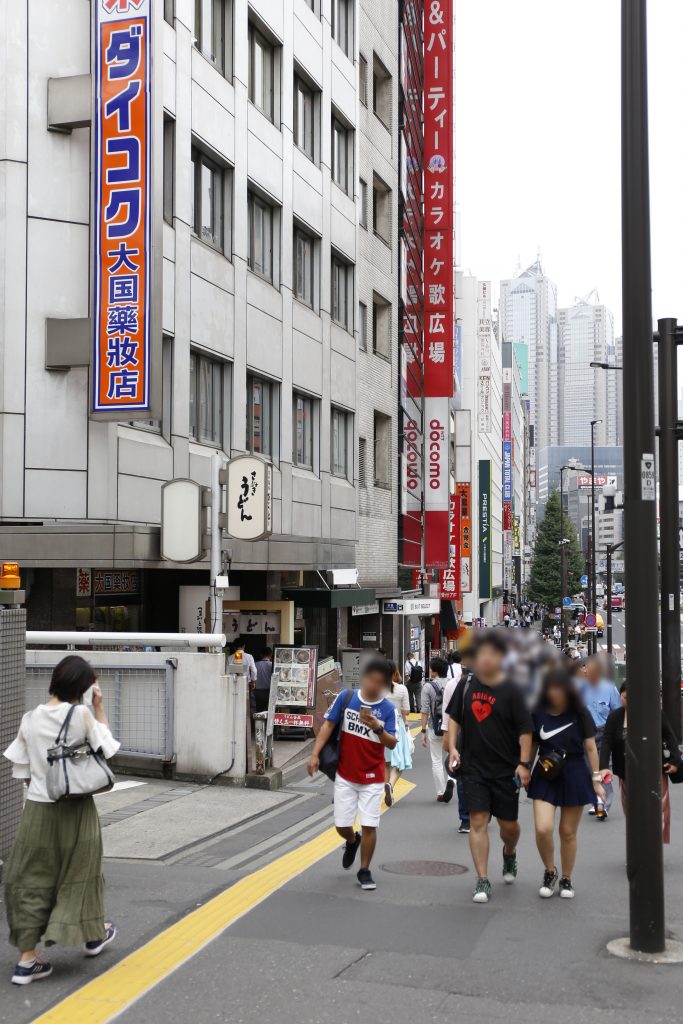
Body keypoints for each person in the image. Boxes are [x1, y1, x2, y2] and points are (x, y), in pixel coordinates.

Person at [3, 656, 120, 985]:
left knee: (30, 878)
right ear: (82, 688)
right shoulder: (80, 713)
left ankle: (27, 961)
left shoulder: (30, 719)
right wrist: (98, 707)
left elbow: (22, 772)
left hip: (38, 812)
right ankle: (92, 934)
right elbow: (108, 748)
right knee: (81, 873)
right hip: (76, 809)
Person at [446, 630, 533, 904]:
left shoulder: (513, 689)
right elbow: (454, 719)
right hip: (474, 768)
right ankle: (482, 879)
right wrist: (451, 748)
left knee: (510, 826)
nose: (485, 659)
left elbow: (525, 731)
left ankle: (509, 852)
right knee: (478, 821)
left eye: (491, 654)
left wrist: (523, 763)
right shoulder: (466, 683)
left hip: (506, 769)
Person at [307, 658, 397, 891]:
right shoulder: (347, 698)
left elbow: (392, 744)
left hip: (373, 777)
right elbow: (328, 725)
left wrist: (377, 726)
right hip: (345, 775)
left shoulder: (388, 710)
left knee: (370, 825)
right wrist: (315, 754)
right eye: (370, 679)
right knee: (341, 826)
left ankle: (364, 870)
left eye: (379, 681)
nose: (372, 685)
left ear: (386, 684)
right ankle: (351, 840)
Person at [528, 665, 604, 900]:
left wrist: (597, 777)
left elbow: (590, 747)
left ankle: (567, 878)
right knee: (543, 828)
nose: (554, 692)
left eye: (559, 687)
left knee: (567, 832)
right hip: (545, 771)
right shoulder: (537, 711)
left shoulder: (579, 712)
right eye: (550, 687)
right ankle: (550, 871)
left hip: (573, 771)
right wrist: (523, 768)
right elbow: (532, 745)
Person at [600, 683, 682, 844]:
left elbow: (670, 737)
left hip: (654, 769)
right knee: (631, 812)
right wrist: (603, 767)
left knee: (658, 810)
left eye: (632, 698)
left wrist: (675, 762)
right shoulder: (615, 717)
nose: (628, 702)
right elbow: (607, 742)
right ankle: (637, 846)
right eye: (625, 698)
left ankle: (654, 847)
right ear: (620, 697)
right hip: (626, 771)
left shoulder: (655, 714)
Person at [577, 655, 621, 818]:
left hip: (604, 734)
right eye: (586, 667)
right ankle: (596, 800)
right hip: (584, 735)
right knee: (590, 770)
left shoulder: (609, 688)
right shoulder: (578, 688)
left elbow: (616, 711)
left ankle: (603, 803)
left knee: (604, 768)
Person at [441, 649, 473, 833]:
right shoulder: (490, 681)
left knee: (462, 776)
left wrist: (448, 742)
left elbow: (447, 715)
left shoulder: (453, 683)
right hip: (476, 737)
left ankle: (466, 819)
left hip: (460, 737)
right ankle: (475, 814)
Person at [420, 657, 454, 804]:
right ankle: (452, 779)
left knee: (436, 760)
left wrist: (422, 731)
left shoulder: (428, 687)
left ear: (434, 671)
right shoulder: (454, 684)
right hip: (453, 728)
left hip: (435, 727)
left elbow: (424, 710)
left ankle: (440, 792)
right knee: (454, 756)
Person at [383, 665, 412, 806]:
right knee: (400, 762)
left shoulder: (378, 688)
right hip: (396, 726)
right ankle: (390, 784)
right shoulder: (402, 689)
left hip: (380, 727)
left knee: (385, 762)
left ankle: (387, 788)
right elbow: (407, 711)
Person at [254, 648, 273, 715]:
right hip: (269, 692)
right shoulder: (272, 665)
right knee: (269, 712)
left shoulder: (255, 664)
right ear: (271, 655)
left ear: (261, 655)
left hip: (257, 692)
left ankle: (259, 725)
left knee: (259, 712)